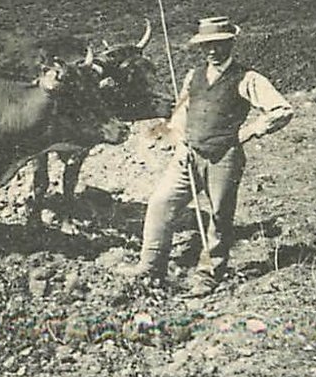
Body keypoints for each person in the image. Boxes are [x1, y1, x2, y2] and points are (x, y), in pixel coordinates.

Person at [126, 16, 295, 294]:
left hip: (224, 159)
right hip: (188, 156)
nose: (212, 51)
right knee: (160, 203)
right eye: (207, 46)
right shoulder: (194, 76)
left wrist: (248, 132)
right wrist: (179, 139)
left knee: (219, 217)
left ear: (230, 42)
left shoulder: (247, 78)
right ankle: (151, 265)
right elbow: (181, 112)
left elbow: (282, 110)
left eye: (218, 44)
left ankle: (209, 273)